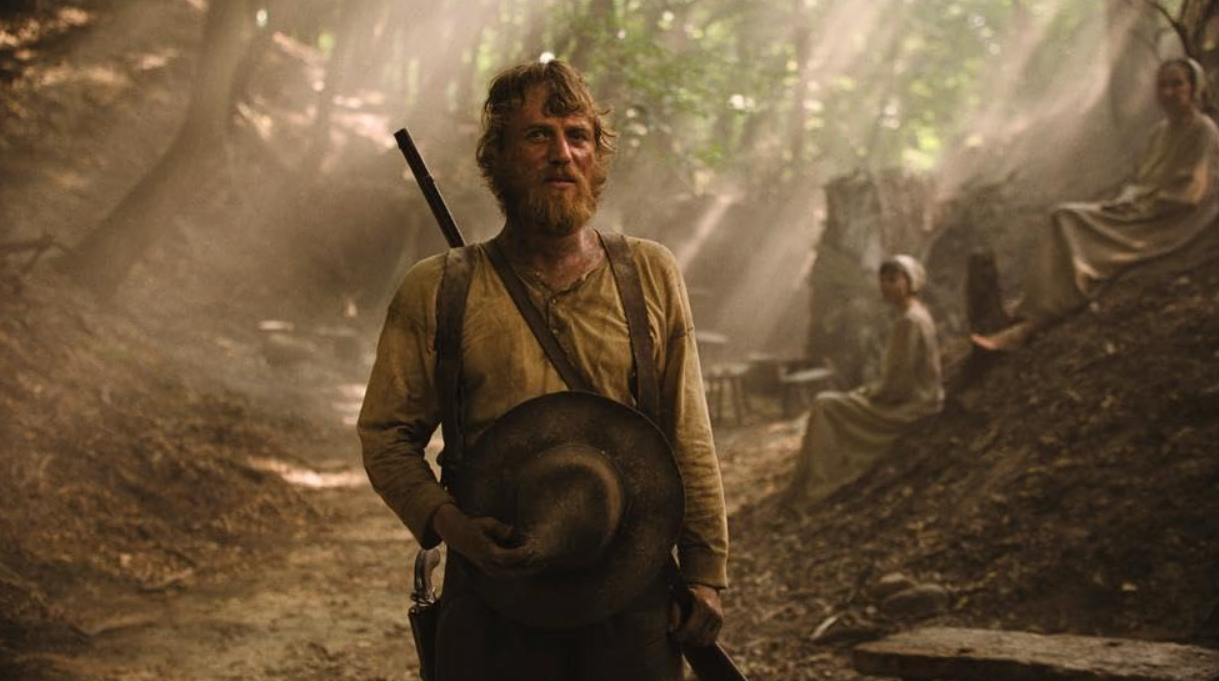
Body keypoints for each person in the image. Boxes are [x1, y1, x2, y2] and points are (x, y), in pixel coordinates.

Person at [358, 60, 728, 680]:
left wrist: (705, 572)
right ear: (497, 158)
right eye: (537, 135)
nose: (562, 153)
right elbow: (386, 436)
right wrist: (452, 526)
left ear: (596, 158)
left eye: (577, 136)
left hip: (629, 598)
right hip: (493, 603)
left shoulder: (650, 275)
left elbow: (688, 434)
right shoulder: (439, 289)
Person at [973, 57, 1219, 351]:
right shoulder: (1160, 133)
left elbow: (1189, 194)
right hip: (1142, 209)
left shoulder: (1204, 131)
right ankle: (1030, 310)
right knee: (1064, 217)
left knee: (1069, 220)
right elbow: (1144, 181)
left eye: (1177, 84)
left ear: (1194, 88)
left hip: (1167, 222)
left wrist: (1141, 206)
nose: (1168, 92)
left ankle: (1031, 326)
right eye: (1163, 85)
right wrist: (1128, 200)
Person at [785, 255, 944, 505]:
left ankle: (819, 485)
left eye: (893, 279)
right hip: (919, 398)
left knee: (825, 405)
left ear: (910, 282)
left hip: (913, 405)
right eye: (883, 280)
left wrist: (868, 394)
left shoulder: (909, 322)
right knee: (833, 402)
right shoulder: (915, 315)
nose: (886, 285)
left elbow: (898, 383)